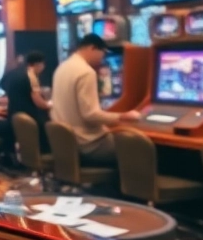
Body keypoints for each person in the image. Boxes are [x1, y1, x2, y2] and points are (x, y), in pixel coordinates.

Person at [51, 34, 140, 165]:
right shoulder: (86, 72)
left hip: (67, 143)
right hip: (89, 144)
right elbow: (90, 115)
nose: (103, 58)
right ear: (93, 48)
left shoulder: (62, 68)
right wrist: (123, 116)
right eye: (102, 53)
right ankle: (123, 186)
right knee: (138, 148)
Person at [0, 49, 52, 149]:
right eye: (43, 64)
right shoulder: (31, 76)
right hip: (30, 118)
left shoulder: (12, 73)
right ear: (38, 64)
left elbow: (4, 88)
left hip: (13, 115)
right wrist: (50, 104)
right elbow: (38, 102)